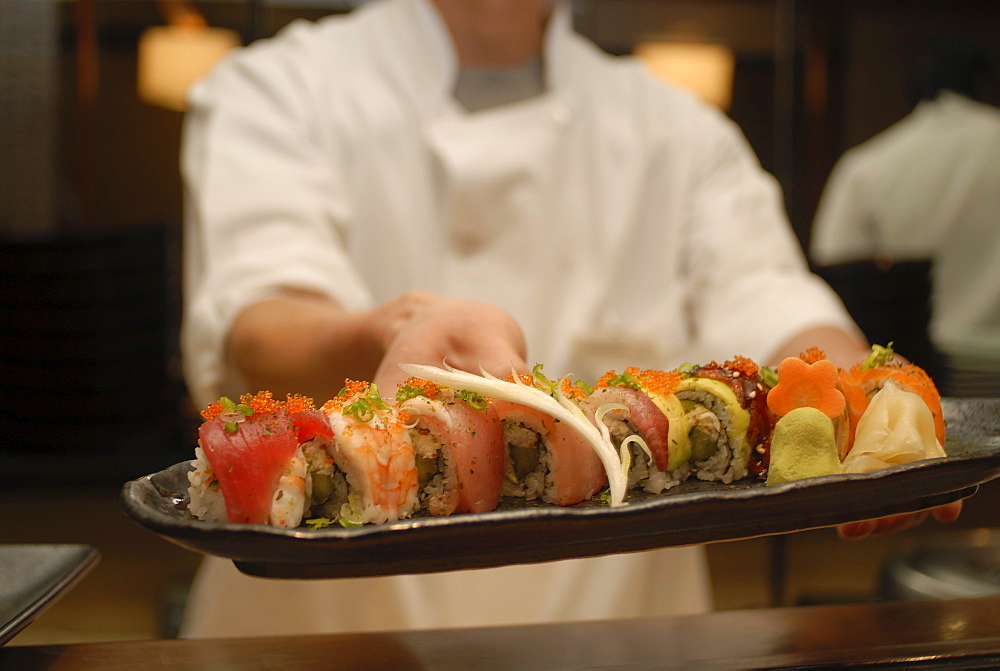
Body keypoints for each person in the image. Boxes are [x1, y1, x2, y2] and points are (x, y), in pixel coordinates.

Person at [178, 0, 959, 638]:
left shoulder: (678, 130)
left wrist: (873, 406)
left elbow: (777, 305)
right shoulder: (276, 86)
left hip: (617, 631)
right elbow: (258, 319)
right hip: (323, 635)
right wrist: (395, 328)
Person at [811, 42, 1000, 395]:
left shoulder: (867, 165)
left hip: (913, 377)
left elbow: (834, 270)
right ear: (986, 87)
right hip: (921, 376)